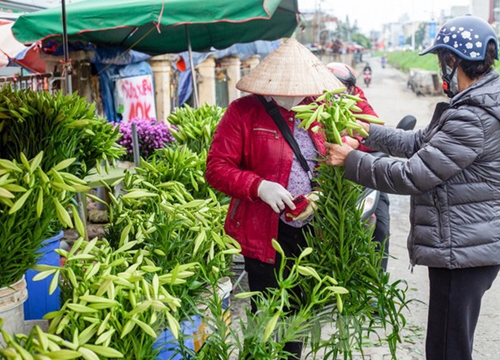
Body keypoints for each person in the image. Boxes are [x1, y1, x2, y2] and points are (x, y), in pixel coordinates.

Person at [324, 15, 500, 360]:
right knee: (449, 342)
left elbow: (412, 175)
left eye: (440, 60)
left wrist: (351, 161)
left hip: (463, 248)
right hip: (469, 243)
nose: (438, 68)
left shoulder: (473, 116)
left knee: (447, 348)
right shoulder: (478, 102)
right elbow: (419, 140)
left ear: (452, 61)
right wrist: (365, 131)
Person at [205, 38, 344, 359]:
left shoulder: (321, 112)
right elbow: (216, 169)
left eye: (301, 88)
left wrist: (322, 195)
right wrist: (259, 186)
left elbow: (334, 162)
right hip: (262, 232)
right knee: (266, 313)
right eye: (287, 88)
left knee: (297, 313)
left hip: (310, 231)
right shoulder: (243, 112)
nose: (295, 95)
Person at [326, 61, 391, 272]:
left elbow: (377, 130)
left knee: (380, 227)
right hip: (325, 178)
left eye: (340, 86)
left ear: (351, 87)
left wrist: (356, 142)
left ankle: (377, 279)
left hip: (359, 173)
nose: (335, 92)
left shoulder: (357, 100)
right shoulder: (312, 103)